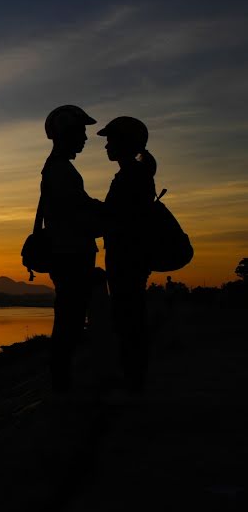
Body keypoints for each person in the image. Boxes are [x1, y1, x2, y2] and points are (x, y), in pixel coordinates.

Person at [41, 105, 104, 392]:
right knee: (70, 321)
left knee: (71, 319)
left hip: (69, 253)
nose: (86, 139)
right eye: (81, 132)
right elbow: (76, 210)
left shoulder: (60, 168)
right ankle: (62, 386)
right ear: (66, 133)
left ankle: (63, 383)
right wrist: (111, 215)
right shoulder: (60, 170)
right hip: (70, 255)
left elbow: (79, 207)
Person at [99, 116, 156, 394]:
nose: (106, 146)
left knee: (128, 316)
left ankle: (133, 382)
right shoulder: (135, 174)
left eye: (111, 140)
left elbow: (118, 217)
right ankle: (133, 378)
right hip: (129, 255)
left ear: (126, 143)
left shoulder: (132, 176)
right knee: (128, 315)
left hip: (128, 257)